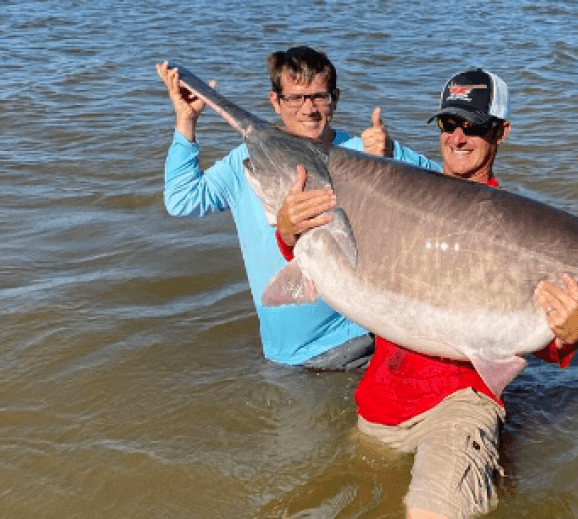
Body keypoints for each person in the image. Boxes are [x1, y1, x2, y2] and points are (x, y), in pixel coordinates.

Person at [276, 68, 578, 518]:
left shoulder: (522, 233)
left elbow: (538, 339)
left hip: (462, 401)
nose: (458, 138)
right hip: (382, 397)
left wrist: (570, 336)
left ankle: (490, 461)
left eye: (474, 127)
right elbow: (326, 253)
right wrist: (288, 230)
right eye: (449, 124)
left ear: (502, 132)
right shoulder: (395, 197)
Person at [157, 46, 438, 369]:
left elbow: (448, 188)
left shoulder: (363, 149)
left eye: (319, 96)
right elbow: (182, 200)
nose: (309, 109)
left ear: (336, 98)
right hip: (288, 355)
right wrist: (185, 121)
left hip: (369, 338)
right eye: (295, 98)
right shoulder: (245, 162)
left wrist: (392, 156)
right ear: (275, 102)